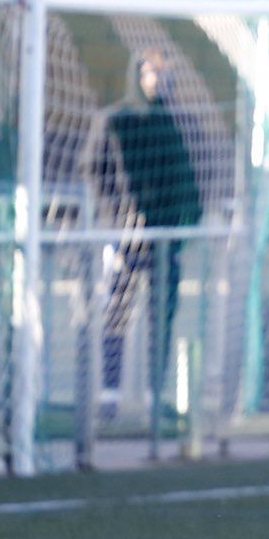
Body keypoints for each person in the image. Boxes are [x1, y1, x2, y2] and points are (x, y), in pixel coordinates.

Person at [88, 49, 202, 410]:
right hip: (126, 238)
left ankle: (155, 396)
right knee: (116, 313)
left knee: (161, 314)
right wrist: (120, 216)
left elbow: (191, 180)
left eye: (165, 73)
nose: (160, 80)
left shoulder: (179, 123)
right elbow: (94, 171)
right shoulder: (116, 120)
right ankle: (109, 394)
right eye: (153, 72)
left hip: (166, 239)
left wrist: (186, 221)